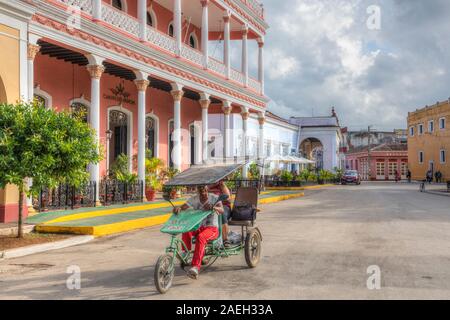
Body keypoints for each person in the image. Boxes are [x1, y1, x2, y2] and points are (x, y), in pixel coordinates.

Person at [173, 185, 224, 280]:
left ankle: (195, 267)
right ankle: (186, 253)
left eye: (205, 190)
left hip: (212, 228)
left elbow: (222, 210)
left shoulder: (215, 198)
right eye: (201, 191)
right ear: (198, 191)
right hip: (199, 226)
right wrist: (178, 208)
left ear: (207, 190)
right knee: (187, 229)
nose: (203, 193)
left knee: (201, 237)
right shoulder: (194, 199)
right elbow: (184, 206)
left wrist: (214, 208)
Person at [208, 180, 232, 246]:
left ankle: (225, 239)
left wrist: (219, 199)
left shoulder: (221, 186)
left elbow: (228, 198)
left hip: (224, 207)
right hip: (210, 207)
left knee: (221, 213)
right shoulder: (205, 187)